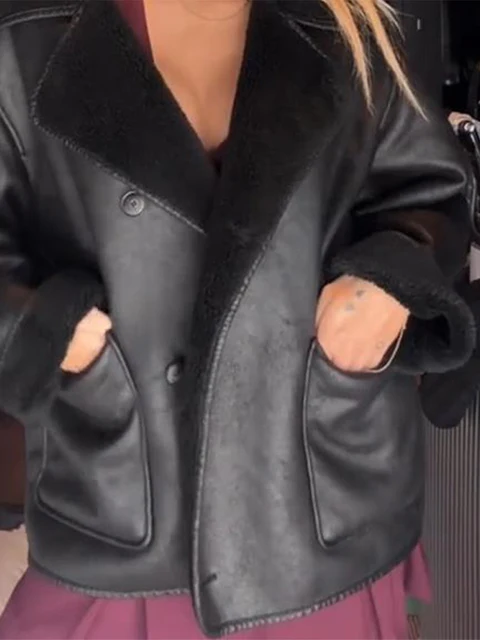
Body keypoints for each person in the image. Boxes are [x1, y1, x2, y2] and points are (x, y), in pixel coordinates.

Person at [0, 0, 475, 637]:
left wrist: (388, 280)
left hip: (316, 503)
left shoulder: (352, 29)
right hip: (120, 508)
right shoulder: (25, 39)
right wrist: (52, 331)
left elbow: (427, 192)